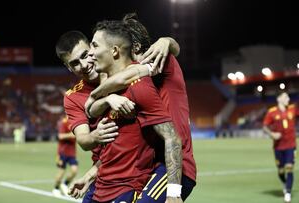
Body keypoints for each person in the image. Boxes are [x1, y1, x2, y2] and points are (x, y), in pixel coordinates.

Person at [56, 29, 180, 201]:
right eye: (75, 63)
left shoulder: (125, 74)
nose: (84, 65)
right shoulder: (73, 97)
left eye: (85, 55)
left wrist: (166, 40)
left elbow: (165, 58)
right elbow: (84, 141)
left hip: (134, 174)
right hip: (103, 172)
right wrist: (96, 133)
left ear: (93, 49)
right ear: (69, 67)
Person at [85, 13, 196, 202]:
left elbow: (125, 76)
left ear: (133, 48)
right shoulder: (134, 83)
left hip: (176, 165)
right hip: (153, 164)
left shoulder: (160, 60)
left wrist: (167, 41)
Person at [263, 92, 298, 203]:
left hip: (291, 145)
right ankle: (285, 183)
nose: (288, 98)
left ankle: (288, 192)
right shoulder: (272, 112)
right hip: (278, 146)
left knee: (289, 167)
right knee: (281, 171)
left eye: (288, 96)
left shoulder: (293, 109)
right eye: (285, 96)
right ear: (279, 99)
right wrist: (272, 134)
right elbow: (264, 126)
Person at [52, 114, 78, 197]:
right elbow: (60, 136)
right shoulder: (64, 122)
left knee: (74, 170)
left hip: (72, 153)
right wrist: (71, 135)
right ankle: (56, 188)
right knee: (61, 172)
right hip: (62, 153)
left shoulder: (76, 122)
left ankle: (65, 184)